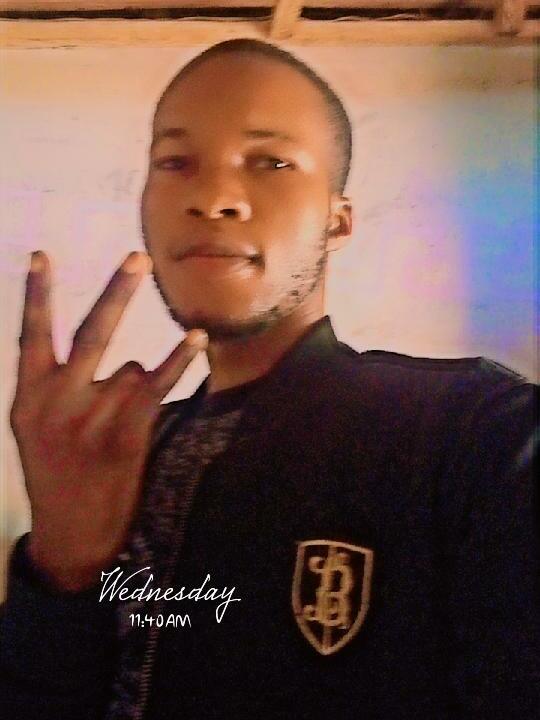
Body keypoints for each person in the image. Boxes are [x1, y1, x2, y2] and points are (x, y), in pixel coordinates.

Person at [0, 38, 538, 720]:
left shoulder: (475, 434)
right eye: (176, 163)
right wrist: (63, 567)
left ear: (337, 221)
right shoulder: (116, 456)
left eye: (271, 162)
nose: (214, 198)